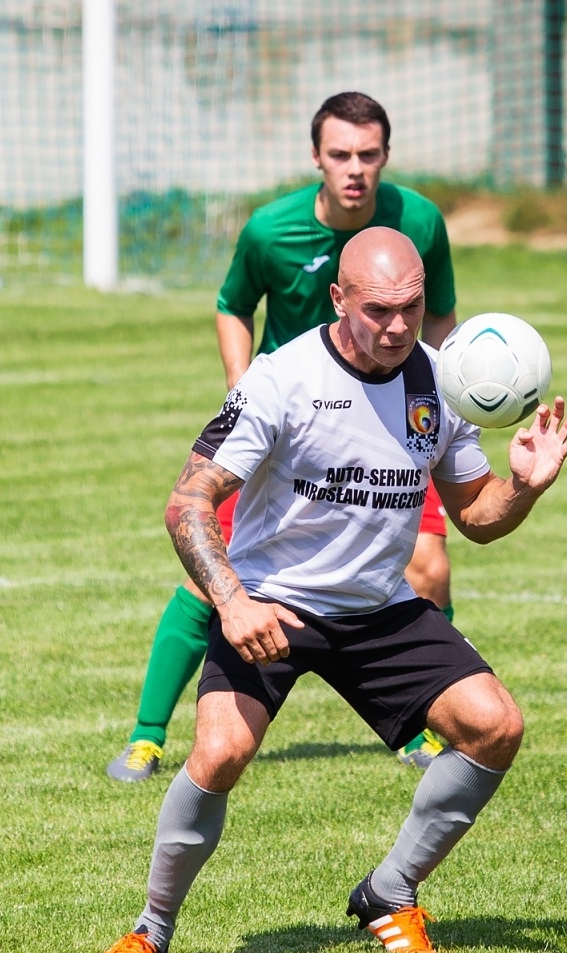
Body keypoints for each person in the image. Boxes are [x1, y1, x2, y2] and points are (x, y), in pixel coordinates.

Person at [86, 228, 567, 953]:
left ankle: (390, 892)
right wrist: (233, 603)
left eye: (411, 309)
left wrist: (524, 487)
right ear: (338, 299)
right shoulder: (277, 379)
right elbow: (187, 504)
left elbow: (476, 517)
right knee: (219, 753)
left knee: (495, 726)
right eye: (378, 310)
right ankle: (151, 931)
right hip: (274, 605)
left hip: (380, 608)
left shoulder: (440, 385)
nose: (396, 327)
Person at [107, 92, 460, 783]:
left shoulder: (418, 222)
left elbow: (440, 315)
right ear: (316, 159)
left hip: (396, 422)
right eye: (340, 155)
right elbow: (231, 306)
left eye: (368, 155)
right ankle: (148, 737)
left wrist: (441, 397)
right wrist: (242, 388)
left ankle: (419, 723)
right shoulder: (271, 230)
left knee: (431, 568)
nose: (354, 169)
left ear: (386, 155)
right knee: (209, 573)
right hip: (289, 430)